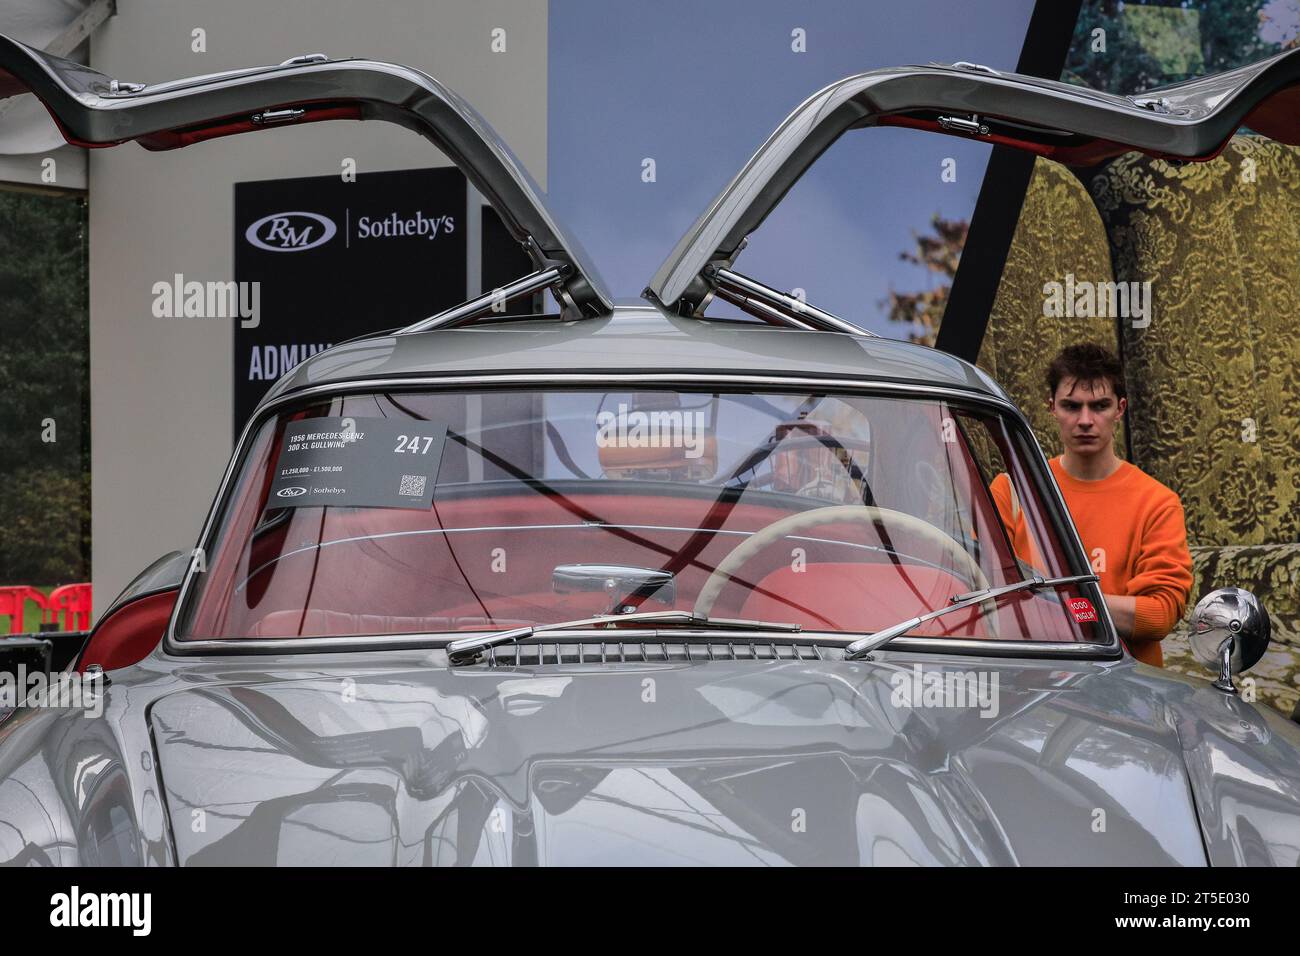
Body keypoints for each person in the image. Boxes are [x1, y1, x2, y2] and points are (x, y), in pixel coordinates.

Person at [990, 343, 1193, 666]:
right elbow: (981, 590)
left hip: (1126, 689)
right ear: (1052, 407)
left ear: (1120, 408)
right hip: (1031, 677)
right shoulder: (1012, 489)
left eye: (1099, 406)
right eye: (1072, 406)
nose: (1085, 420)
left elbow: (1159, 614)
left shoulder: (1156, 502)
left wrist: (1051, 600)